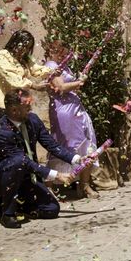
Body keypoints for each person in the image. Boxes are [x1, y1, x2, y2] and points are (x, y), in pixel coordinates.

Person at [0, 89, 80, 228]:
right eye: (27, 107)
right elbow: (24, 161)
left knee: (51, 209)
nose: (30, 109)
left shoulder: (32, 120)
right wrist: (56, 175)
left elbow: (51, 144)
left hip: (25, 176)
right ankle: (7, 213)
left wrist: (77, 159)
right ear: (14, 110)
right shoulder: (1, 133)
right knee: (18, 162)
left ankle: (20, 204)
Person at [45, 40, 99, 199]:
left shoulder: (64, 67)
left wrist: (77, 84)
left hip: (77, 110)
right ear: (53, 51)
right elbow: (60, 87)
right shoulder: (50, 65)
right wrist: (79, 82)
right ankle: (49, 186)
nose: (64, 54)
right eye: (60, 51)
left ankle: (84, 185)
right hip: (64, 111)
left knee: (87, 144)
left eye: (65, 51)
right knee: (64, 145)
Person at [0, 30, 52, 131]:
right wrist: (34, 86)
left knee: (18, 137)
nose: (25, 50)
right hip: (3, 99)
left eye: (28, 48)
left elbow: (36, 69)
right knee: (3, 135)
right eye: (24, 46)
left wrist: (52, 71)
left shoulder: (24, 59)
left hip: (19, 102)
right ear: (15, 42)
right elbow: (11, 78)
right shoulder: (3, 56)